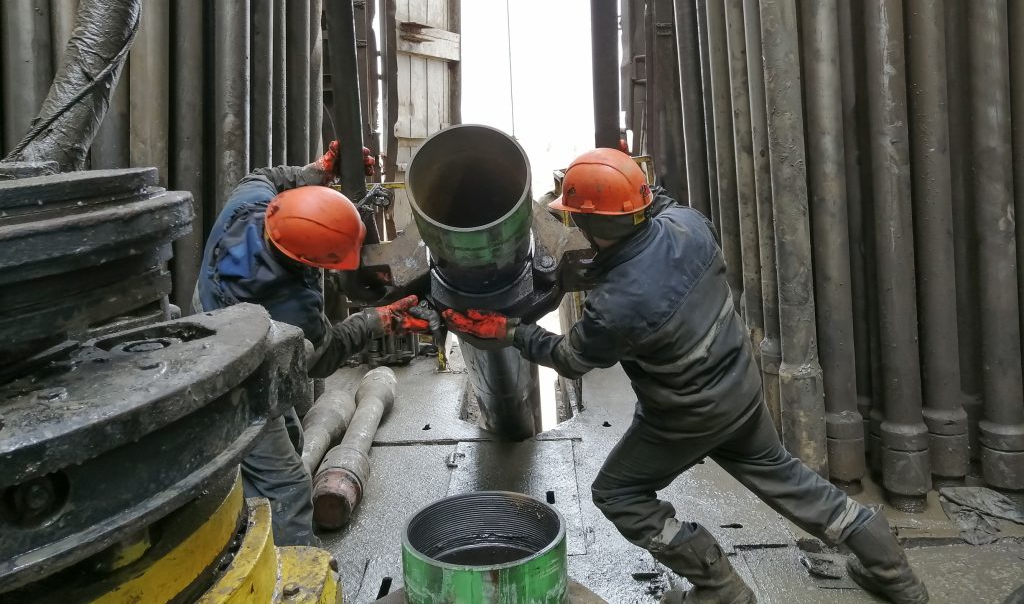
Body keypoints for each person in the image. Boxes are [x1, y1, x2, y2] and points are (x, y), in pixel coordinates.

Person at [443, 148, 928, 604]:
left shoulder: (615, 306)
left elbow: (570, 358)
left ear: (589, 222)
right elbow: (661, 207)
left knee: (618, 493)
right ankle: (894, 574)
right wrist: (618, 176)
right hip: (738, 386)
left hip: (686, 415)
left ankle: (720, 586)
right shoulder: (691, 225)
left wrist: (508, 329)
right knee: (784, 476)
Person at [195, 140, 437, 547]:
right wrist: (377, 320)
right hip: (236, 375)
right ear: (308, 261)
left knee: (290, 436)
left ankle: (250, 520)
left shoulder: (250, 204)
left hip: (204, 318)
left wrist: (320, 171)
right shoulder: (290, 301)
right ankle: (294, 576)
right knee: (286, 485)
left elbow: (265, 176)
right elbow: (324, 357)